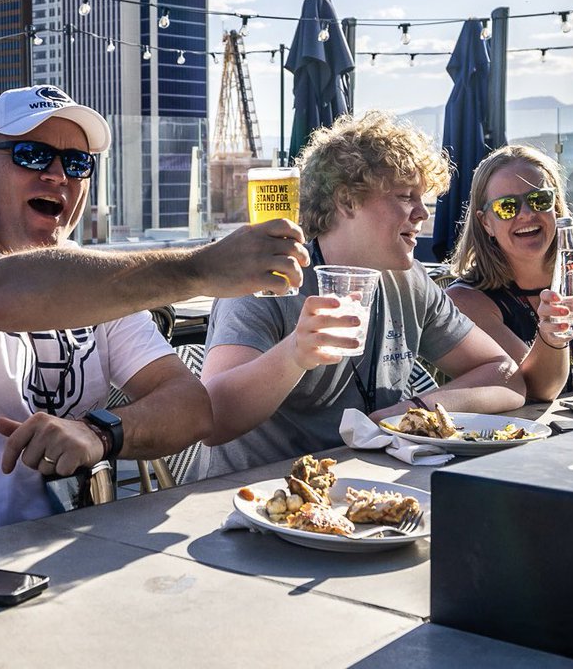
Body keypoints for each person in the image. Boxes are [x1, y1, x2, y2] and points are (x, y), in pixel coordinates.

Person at [0, 84, 306, 564]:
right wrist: (200, 269)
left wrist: (101, 433)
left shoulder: (87, 278)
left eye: (77, 164)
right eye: (33, 154)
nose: (57, 174)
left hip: (42, 559)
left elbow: (191, 407)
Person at [199, 111, 526, 477]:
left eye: (423, 199)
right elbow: (212, 419)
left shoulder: (410, 281)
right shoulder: (268, 278)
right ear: (347, 201)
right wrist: (294, 354)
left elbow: (506, 376)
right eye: (405, 196)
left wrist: (414, 409)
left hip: (364, 487)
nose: (421, 213)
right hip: (250, 500)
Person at [446, 144, 573, 402]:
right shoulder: (467, 302)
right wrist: (551, 337)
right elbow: (532, 390)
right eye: (507, 207)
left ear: (555, 207)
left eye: (539, 200)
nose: (526, 214)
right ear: (485, 222)